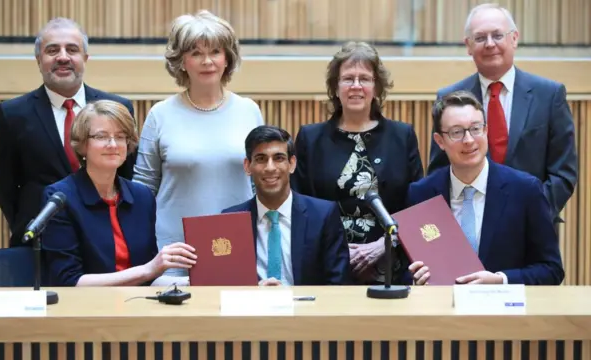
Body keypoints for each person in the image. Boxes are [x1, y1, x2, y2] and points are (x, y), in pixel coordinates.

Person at [133, 10, 264, 284]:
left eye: (215, 51)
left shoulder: (249, 111)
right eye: (195, 53)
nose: (207, 61)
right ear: (181, 61)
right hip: (173, 251)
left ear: (227, 58)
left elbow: (259, 183)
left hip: (234, 246)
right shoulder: (160, 114)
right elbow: (143, 189)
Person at [0, 17, 136, 247]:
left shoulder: (118, 107)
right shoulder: (13, 114)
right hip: (41, 241)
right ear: (39, 60)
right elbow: (4, 185)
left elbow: (127, 175)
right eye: (52, 50)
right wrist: (28, 221)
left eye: (72, 49)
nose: (63, 57)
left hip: (106, 237)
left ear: (85, 58)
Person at [427, 3, 578, 225]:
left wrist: (527, 213)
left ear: (514, 38)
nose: (490, 44)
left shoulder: (549, 95)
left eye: (498, 35)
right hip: (468, 226)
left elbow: (563, 173)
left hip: (533, 228)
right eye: (480, 38)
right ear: (468, 45)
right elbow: (439, 171)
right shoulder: (448, 98)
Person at [291, 41, 423, 285]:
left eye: (365, 78)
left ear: (376, 86)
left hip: (389, 262)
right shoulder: (311, 138)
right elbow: (301, 208)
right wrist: (339, 249)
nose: (356, 86)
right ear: (336, 86)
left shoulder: (401, 136)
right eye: (348, 78)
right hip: (327, 264)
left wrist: (382, 246)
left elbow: (417, 208)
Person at [408, 91, 564, 286]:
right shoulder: (421, 193)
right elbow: (406, 267)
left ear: (486, 131)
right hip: (442, 310)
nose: (469, 140)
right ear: (440, 141)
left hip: (505, 312)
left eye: (475, 129)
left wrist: (501, 280)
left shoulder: (525, 190)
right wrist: (416, 279)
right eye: (456, 132)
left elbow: (551, 270)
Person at [42, 100, 197, 287]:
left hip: (138, 305)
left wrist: (195, 282)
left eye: (121, 136)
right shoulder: (60, 197)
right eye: (101, 136)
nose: (113, 144)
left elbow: (148, 278)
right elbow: (68, 281)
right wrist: (149, 269)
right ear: (82, 145)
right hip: (85, 309)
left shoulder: (141, 196)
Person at [222, 126, 350, 286]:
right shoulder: (230, 220)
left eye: (278, 158)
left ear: (292, 164)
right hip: (251, 309)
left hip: (307, 309)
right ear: (247, 166)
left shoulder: (323, 216)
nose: (270, 167)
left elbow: (338, 284)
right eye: (261, 159)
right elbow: (223, 286)